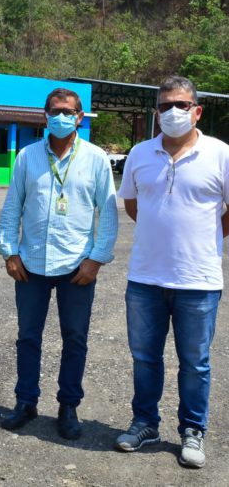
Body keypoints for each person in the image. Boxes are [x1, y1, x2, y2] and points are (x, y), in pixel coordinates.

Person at [114, 76, 229, 468]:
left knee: (195, 363)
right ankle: (145, 423)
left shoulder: (220, 154)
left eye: (182, 105)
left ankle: (193, 430)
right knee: (145, 358)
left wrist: (206, 236)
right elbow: (133, 205)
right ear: (156, 112)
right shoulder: (140, 153)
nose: (173, 112)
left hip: (199, 281)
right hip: (145, 278)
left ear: (197, 111)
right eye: (165, 106)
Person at [0, 87, 118, 440]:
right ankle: (25, 402)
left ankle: (68, 406)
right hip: (30, 263)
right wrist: (10, 252)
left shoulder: (95, 158)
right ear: (45, 116)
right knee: (27, 337)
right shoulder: (27, 156)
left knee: (75, 338)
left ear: (79, 117)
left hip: (77, 266)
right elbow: (12, 208)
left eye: (68, 112)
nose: (61, 117)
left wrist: (96, 259)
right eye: (55, 111)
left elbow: (108, 213)